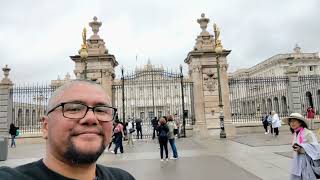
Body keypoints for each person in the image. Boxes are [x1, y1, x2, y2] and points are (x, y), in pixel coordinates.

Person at [0, 80, 135, 180]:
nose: (91, 118)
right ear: (45, 126)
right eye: (74, 109)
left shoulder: (123, 177)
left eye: (101, 110)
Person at [283, 113, 320, 179]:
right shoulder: (295, 133)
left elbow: (316, 148)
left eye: (294, 121)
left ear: (300, 122)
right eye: (291, 121)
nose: (292, 123)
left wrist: (302, 148)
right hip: (297, 162)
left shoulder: (308, 133)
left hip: (306, 163)